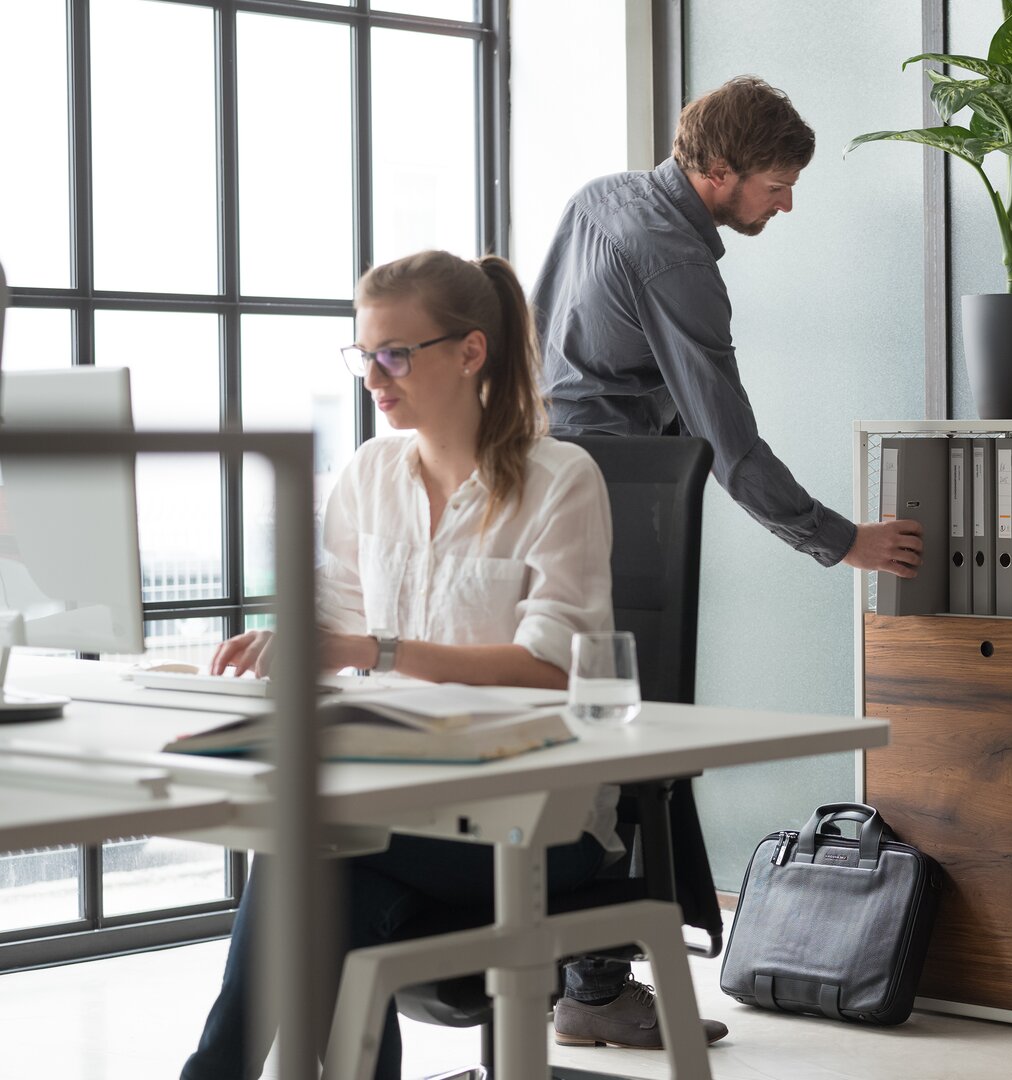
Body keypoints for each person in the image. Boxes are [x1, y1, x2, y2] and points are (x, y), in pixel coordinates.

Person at [180, 250, 725, 1080]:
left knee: (309, 853)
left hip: (544, 820)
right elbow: (330, 627)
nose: (374, 377)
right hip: (401, 800)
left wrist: (377, 651)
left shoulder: (558, 479)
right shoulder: (368, 475)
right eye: (363, 355)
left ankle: (212, 1073)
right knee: (333, 888)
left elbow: (553, 669)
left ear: (470, 352)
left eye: (395, 354)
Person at [533, 74, 923, 579]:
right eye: (776, 187)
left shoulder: (600, 196)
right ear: (719, 172)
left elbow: (533, 334)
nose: (786, 205)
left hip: (532, 469)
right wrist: (844, 542)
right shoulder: (676, 264)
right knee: (621, 653)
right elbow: (729, 444)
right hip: (602, 491)